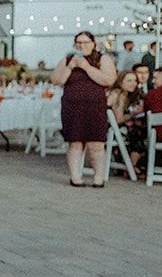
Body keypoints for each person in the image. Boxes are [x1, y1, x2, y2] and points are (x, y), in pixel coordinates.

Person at [50, 30, 118, 187]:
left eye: (85, 42)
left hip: (95, 107)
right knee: (75, 143)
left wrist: (87, 67)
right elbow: (56, 80)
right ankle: (75, 177)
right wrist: (69, 67)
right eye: (79, 43)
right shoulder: (68, 59)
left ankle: (98, 177)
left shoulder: (103, 59)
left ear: (93, 44)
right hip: (72, 107)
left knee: (96, 143)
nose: (82, 46)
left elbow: (108, 80)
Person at [108, 71, 146, 173]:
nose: (133, 83)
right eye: (129, 80)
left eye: (135, 80)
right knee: (142, 131)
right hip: (112, 132)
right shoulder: (120, 94)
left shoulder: (117, 92)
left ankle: (131, 166)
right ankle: (132, 167)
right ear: (120, 82)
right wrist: (135, 113)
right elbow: (119, 119)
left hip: (111, 130)